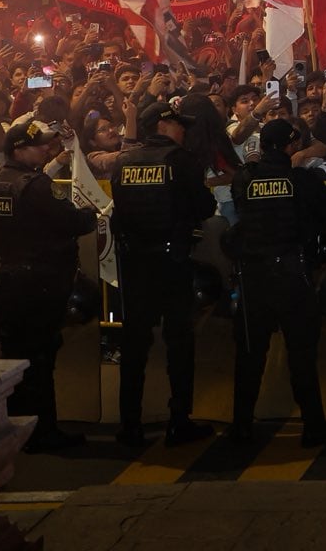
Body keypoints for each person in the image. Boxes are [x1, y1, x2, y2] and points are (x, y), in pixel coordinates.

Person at [0, 120, 96, 453]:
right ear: (19, 149)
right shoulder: (37, 185)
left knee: (14, 357)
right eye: (40, 144)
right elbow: (72, 221)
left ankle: (14, 427)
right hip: (41, 281)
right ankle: (44, 432)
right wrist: (90, 214)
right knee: (41, 358)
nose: (47, 148)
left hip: (10, 278)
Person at [226, 118, 326, 446]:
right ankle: (313, 425)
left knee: (250, 355)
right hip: (293, 275)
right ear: (291, 145)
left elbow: (241, 210)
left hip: (253, 277)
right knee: (302, 354)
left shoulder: (245, 178)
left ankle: (241, 426)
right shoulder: (301, 179)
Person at [109, 100, 216, 447]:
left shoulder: (123, 162)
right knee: (179, 343)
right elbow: (203, 205)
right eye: (176, 124)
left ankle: (129, 425)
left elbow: (119, 216)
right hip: (172, 263)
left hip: (135, 264)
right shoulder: (181, 161)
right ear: (160, 126)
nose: (182, 130)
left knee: (135, 344)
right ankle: (178, 421)